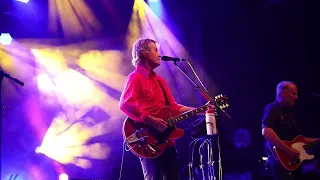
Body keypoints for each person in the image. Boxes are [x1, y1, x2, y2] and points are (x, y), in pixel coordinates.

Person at [119, 38, 213, 180]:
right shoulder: (135, 78)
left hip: (166, 141)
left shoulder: (160, 81)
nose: (159, 54)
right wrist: (150, 120)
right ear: (144, 53)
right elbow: (125, 104)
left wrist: (201, 110)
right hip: (148, 140)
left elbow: (174, 108)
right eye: (155, 50)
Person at [261, 81, 319, 180]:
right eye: (293, 94)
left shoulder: (288, 113)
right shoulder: (272, 108)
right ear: (282, 93)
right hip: (280, 164)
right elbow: (266, 132)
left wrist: (317, 140)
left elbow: (300, 140)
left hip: (293, 163)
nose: (296, 97)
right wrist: (288, 150)